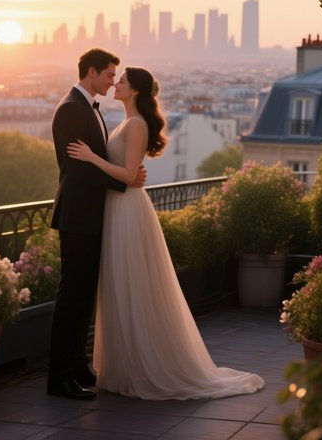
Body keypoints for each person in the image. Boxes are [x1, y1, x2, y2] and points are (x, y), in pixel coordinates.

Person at [67, 66, 265, 400]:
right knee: (122, 284)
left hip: (126, 209)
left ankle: (138, 367)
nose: (116, 84)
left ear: (135, 90)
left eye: (122, 81)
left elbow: (129, 174)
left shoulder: (135, 125)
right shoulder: (129, 123)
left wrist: (90, 158)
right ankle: (125, 366)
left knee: (129, 282)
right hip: (119, 207)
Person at [47, 48, 147, 400]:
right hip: (78, 215)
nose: (111, 81)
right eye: (109, 74)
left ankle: (76, 367)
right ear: (91, 72)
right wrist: (125, 182)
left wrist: (126, 175)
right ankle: (59, 378)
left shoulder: (86, 107)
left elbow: (96, 160)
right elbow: (77, 168)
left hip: (89, 215)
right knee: (72, 296)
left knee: (84, 296)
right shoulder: (71, 109)